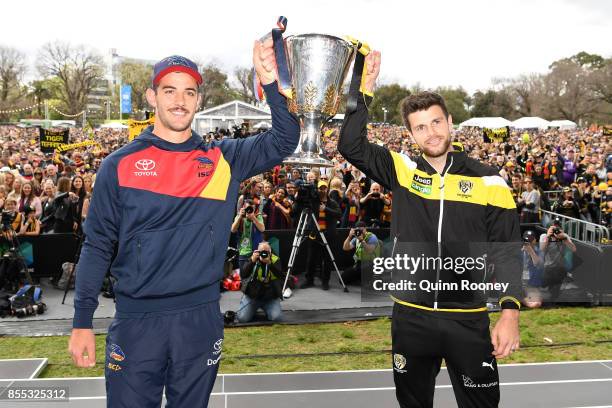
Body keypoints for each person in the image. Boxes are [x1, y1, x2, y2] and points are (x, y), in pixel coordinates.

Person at [68, 46, 299, 408]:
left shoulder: (223, 159)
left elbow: (285, 140)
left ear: (199, 99)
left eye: (189, 92)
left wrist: (270, 82)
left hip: (200, 319)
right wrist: (82, 321)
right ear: (151, 97)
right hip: (136, 322)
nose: (180, 100)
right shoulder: (119, 165)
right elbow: (96, 247)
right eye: (169, 90)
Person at [338, 51, 522, 408]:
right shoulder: (402, 170)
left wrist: (509, 314)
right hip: (411, 318)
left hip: (467, 319)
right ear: (410, 133)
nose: (431, 133)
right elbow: (350, 144)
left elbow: (506, 250)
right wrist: (365, 90)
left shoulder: (489, 180)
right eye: (420, 127)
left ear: (450, 122)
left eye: (436, 122)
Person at [237, 241, 286, 322]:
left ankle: (267, 309)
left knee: (277, 318)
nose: (264, 254)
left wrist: (269, 263)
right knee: (242, 318)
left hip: (270, 297)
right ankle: (252, 309)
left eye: (266, 251)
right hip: (253, 296)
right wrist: (251, 261)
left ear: (270, 251)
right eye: (262, 251)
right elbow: (243, 274)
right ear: (257, 251)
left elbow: (280, 275)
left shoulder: (275, 259)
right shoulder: (252, 257)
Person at [341, 221, 380, 285]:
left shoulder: (372, 237)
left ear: (365, 229)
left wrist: (362, 240)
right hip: (359, 263)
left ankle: (367, 279)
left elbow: (369, 251)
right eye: (358, 230)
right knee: (343, 279)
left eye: (361, 230)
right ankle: (360, 278)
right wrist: (349, 237)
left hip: (371, 264)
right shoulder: (356, 238)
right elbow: (345, 248)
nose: (360, 232)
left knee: (363, 276)